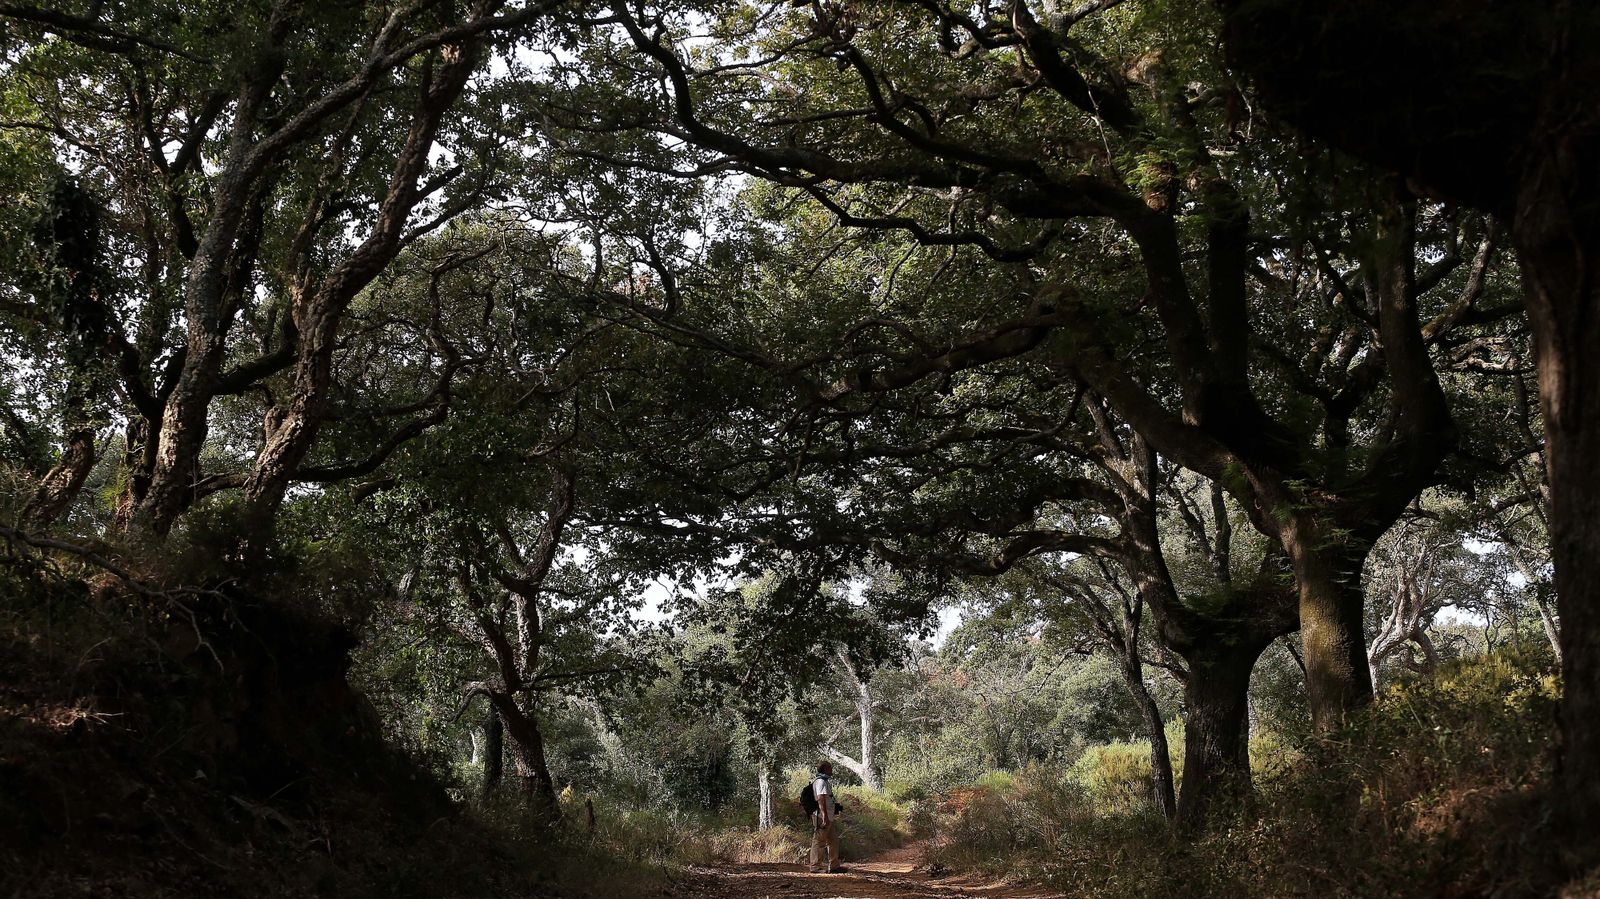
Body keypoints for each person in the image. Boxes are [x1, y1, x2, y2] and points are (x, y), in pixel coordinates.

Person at [809, 760, 842, 873]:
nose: (832, 770)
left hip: (828, 816)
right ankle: (815, 866)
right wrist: (824, 816)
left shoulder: (824, 781)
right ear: (825, 769)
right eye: (830, 768)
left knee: (833, 840)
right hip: (821, 816)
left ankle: (834, 866)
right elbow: (820, 799)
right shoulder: (820, 782)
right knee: (819, 841)